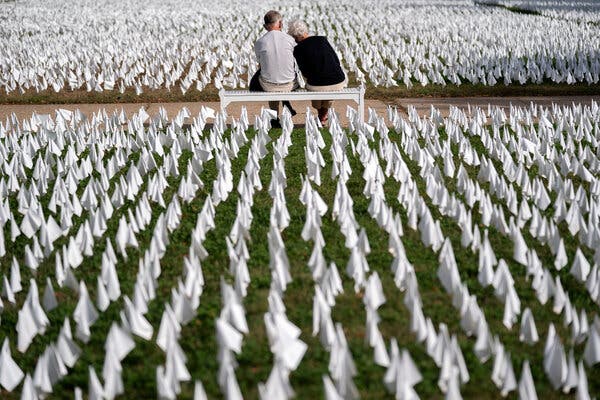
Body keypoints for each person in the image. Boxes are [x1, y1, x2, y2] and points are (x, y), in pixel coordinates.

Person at [288, 20, 347, 125]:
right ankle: (322, 117)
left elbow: (304, 71)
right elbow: (336, 60)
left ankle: (321, 116)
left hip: (317, 84)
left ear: (295, 37)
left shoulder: (298, 49)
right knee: (327, 88)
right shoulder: (322, 40)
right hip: (337, 80)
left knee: (316, 87)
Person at [250, 10, 298, 127]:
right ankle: (286, 104)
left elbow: (261, 63)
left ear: (265, 27)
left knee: (266, 76)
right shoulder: (290, 40)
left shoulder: (259, 42)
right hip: (289, 84)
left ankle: (274, 118)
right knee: (283, 74)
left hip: (269, 85)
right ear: (280, 24)